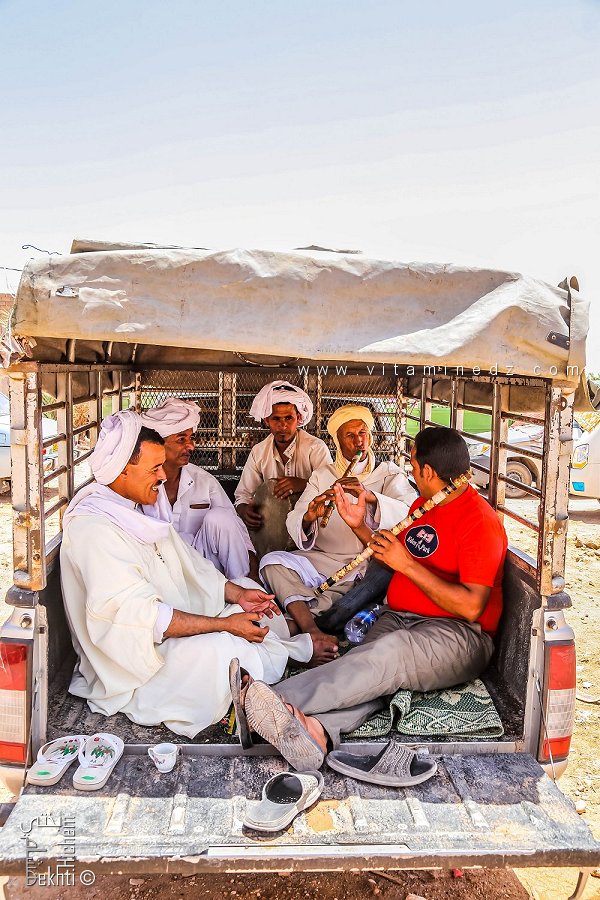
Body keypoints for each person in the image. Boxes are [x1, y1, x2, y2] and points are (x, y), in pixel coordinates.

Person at [234, 426, 508, 770]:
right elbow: (390, 553)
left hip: (458, 634)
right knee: (370, 673)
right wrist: (359, 526)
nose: (410, 471)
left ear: (427, 471)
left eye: (412, 464)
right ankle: (318, 732)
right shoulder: (425, 504)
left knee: (384, 657)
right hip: (401, 616)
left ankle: (269, 701)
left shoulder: (478, 521)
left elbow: (471, 606)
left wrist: (407, 565)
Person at [59, 410, 334, 740]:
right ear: (123, 469)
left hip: (166, 624)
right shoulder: (94, 529)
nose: (163, 475)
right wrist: (223, 624)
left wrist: (236, 593)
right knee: (219, 647)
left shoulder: (137, 507)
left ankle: (262, 674)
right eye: (154, 468)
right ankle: (257, 690)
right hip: (133, 660)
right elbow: (142, 619)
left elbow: (189, 565)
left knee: (245, 593)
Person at [259, 404, 416, 645]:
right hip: (324, 558)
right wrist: (310, 515)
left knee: (373, 583)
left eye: (363, 433)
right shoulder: (323, 475)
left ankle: (299, 620)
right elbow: (295, 517)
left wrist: (371, 497)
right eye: (350, 435)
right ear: (337, 441)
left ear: (371, 437)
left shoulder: (388, 473)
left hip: (367, 563)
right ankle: (312, 624)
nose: (359, 441)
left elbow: (410, 513)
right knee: (271, 563)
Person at [141, 397, 258, 580]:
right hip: (159, 570)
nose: (191, 446)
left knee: (221, 517)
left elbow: (236, 530)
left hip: (203, 565)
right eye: (181, 439)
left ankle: (242, 590)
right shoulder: (141, 483)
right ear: (159, 444)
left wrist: (253, 576)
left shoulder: (204, 481)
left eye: (191, 438)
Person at [234, 381, 332, 542]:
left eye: (289, 418)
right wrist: (244, 510)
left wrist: (303, 484)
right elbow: (243, 494)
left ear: (299, 418)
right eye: (276, 419)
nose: (283, 425)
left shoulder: (316, 448)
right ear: (266, 420)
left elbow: (331, 490)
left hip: (313, 531)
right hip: (270, 534)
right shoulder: (259, 452)